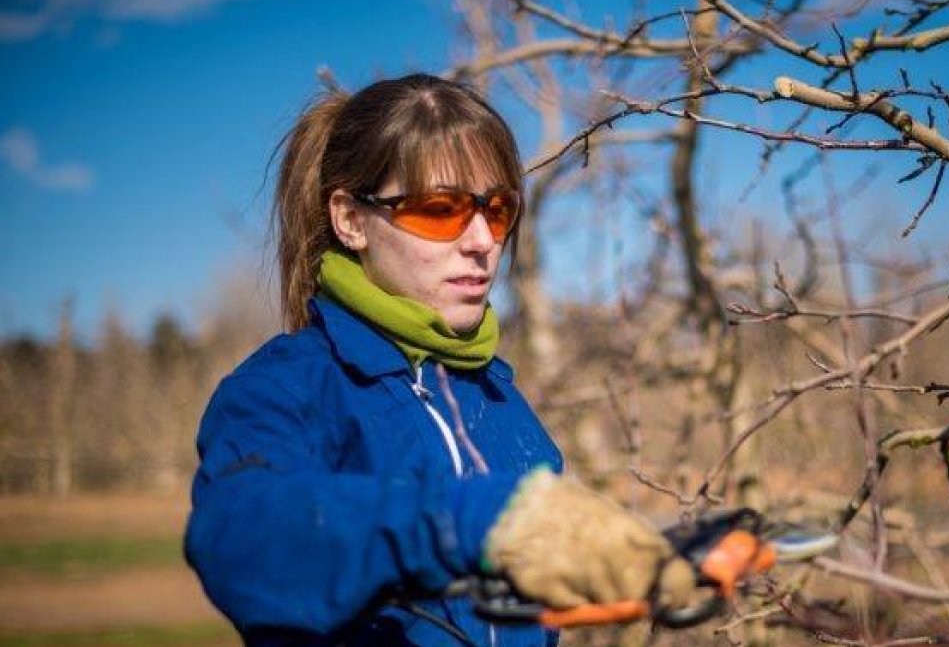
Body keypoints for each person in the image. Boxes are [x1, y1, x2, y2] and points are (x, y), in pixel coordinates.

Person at [184, 74, 696, 646]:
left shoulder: (498, 396)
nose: (482, 240)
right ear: (351, 219)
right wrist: (471, 522)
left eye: (497, 209)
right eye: (439, 208)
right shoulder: (283, 389)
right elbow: (242, 539)